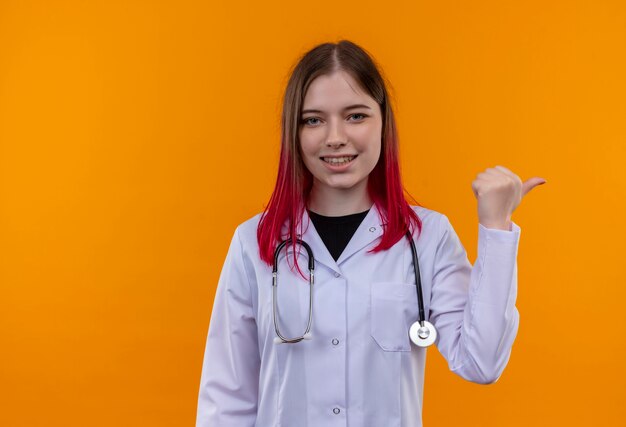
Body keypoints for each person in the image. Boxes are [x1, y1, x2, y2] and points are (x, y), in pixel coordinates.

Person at [195, 39, 546, 427]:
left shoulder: (427, 237)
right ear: (293, 132)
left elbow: (481, 362)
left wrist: (496, 226)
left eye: (355, 116)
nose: (335, 137)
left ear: (383, 122)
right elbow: (227, 400)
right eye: (313, 120)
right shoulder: (253, 243)